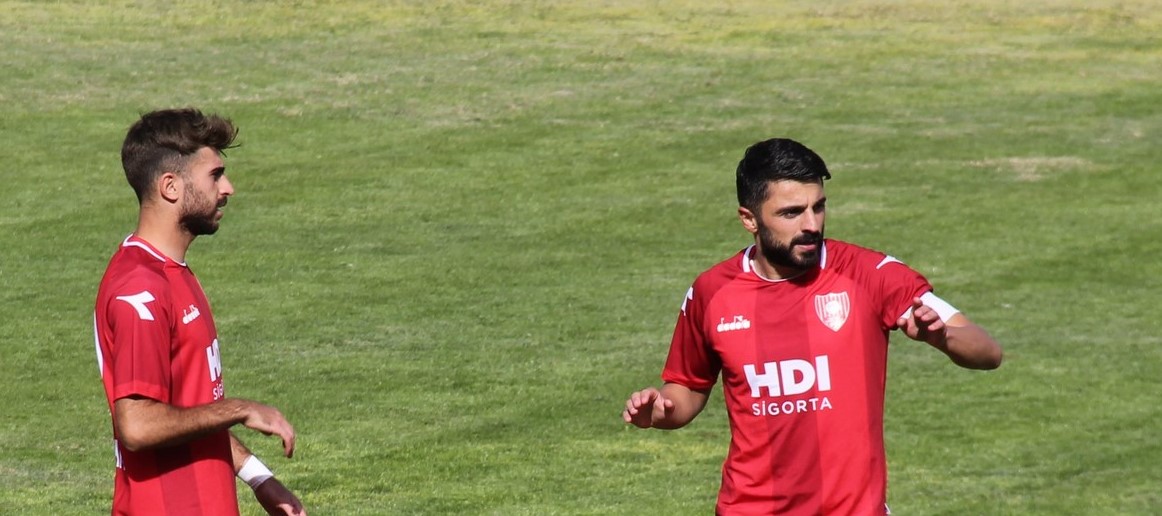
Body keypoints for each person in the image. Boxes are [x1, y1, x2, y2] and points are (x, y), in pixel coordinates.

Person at [622, 138, 1002, 515]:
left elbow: (988, 351)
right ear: (749, 219)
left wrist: (944, 338)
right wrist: (660, 412)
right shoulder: (712, 292)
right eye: (791, 213)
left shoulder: (870, 274)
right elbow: (688, 387)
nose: (811, 225)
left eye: (818, 207)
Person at [93, 108, 307, 515]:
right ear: (170, 186)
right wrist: (241, 409)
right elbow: (138, 425)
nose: (228, 188)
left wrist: (259, 478)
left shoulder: (171, 273)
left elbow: (190, 410)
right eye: (215, 175)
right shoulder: (140, 290)